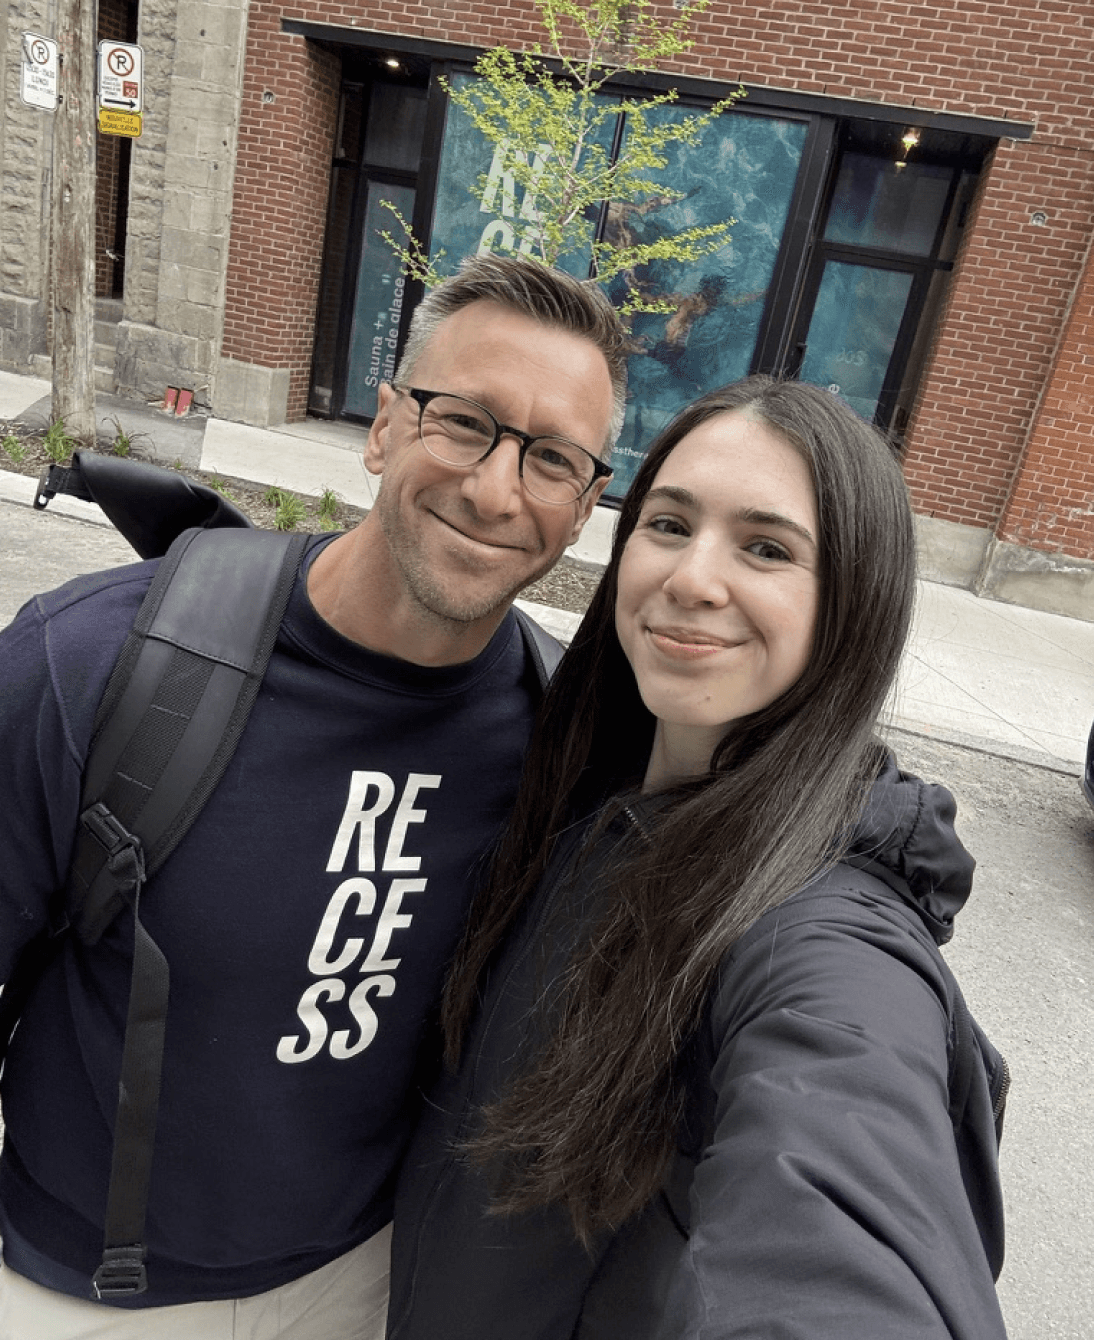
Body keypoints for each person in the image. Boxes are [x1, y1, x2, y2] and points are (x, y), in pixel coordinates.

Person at [0, 254, 627, 1336]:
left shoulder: (562, 735)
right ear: (384, 427)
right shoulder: (90, 663)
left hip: (370, 1282)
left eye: (550, 457)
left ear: (581, 508)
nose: (493, 487)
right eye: (463, 421)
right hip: (77, 1294)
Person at [387, 376, 1008, 1340]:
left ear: (854, 602)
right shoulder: (583, 794)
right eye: (669, 524)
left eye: (766, 548)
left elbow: (842, 1220)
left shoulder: (826, 938)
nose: (691, 578)